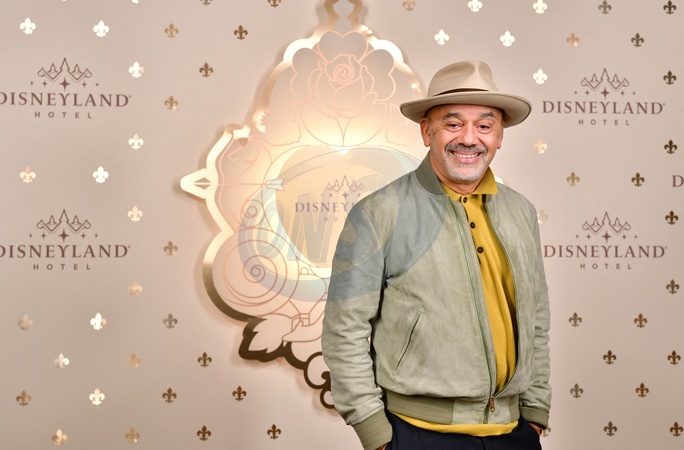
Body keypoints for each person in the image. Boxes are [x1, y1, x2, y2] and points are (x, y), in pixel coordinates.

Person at [321, 60, 551, 450]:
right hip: (416, 434)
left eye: (484, 126)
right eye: (453, 124)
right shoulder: (379, 212)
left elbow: (537, 320)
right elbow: (345, 330)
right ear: (427, 131)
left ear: (500, 136)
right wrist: (375, 432)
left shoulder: (521, 211)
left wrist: (536, 412)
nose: (469, 138)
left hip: (514, 433)